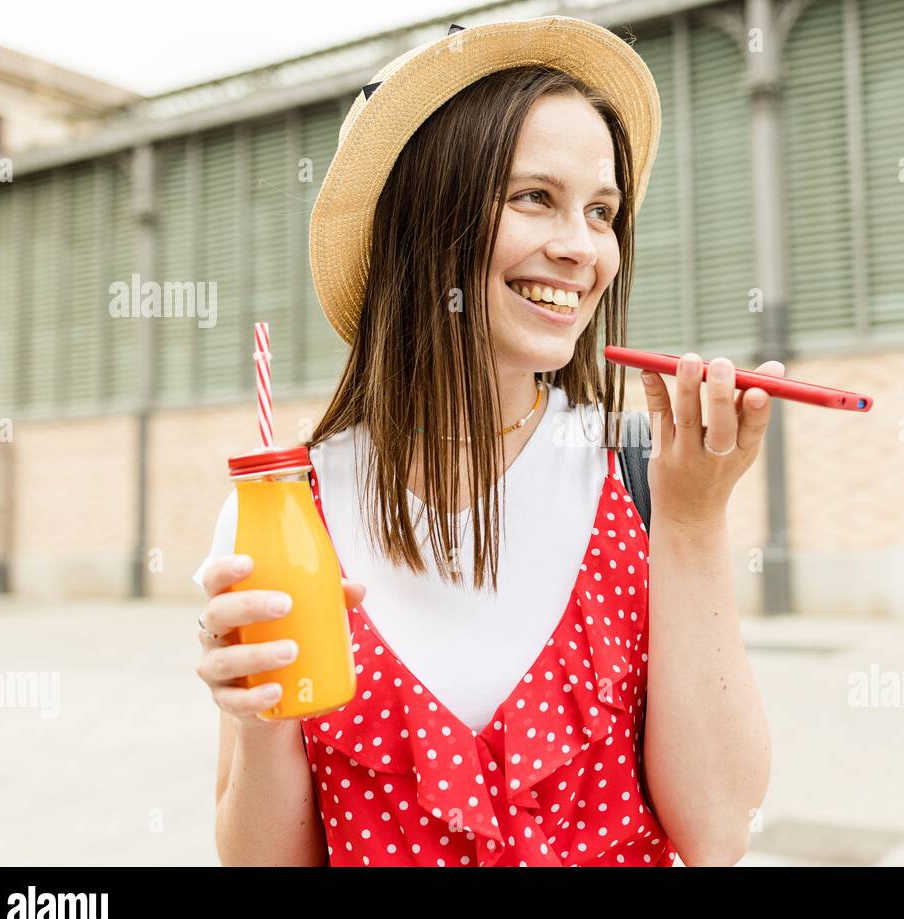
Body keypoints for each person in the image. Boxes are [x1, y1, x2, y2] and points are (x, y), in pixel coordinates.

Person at [191, 16, 776, 867]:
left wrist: (694, 521)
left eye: (602, 212)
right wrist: (261, 718)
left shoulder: (645, 479)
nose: (582, 249)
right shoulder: (283, 515)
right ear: (423, 219)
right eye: (534, 197)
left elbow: (719, 833)